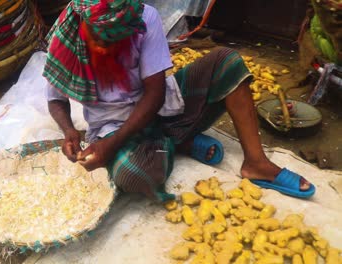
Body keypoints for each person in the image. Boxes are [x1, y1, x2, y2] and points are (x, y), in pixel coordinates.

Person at [43, 0, 315, 201]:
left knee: (227, 62)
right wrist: (69, 131)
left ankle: (256, 163)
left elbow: (155, 93)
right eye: (100, 37)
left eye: (117, 37)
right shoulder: (66, 33)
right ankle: (178, 140)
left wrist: (112, 146)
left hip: (160, 110)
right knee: (134, 175)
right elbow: (55, 99)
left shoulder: (144, 17)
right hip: (111, 127)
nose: (106, 46)